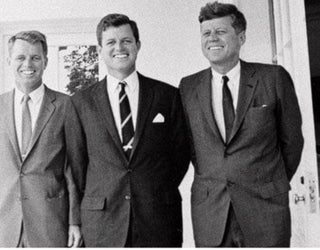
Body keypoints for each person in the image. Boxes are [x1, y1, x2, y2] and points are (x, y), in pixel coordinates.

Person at [179, 2, 303, 247]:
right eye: (206, 33)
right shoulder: (188, 87)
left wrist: (265, 181)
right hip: (211, 214)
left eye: (221, 31)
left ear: (241, 36)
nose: (212, 38)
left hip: (265, 211)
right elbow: (191, 147)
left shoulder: (273, 78)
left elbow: (292, 143)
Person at [69, 14, 190, 247]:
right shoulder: (80, 103)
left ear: (138, 45)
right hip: (102, 221)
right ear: (100, 50)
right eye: (111, 42)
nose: (119, 48)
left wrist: (152, 187)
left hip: (158, 217)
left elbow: (180, 155)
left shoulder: (167, 96)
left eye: (126, 40)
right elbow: (77, 165)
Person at [0, 30, 82, 247]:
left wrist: (74, 222)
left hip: (50, 222)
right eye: (21, 57)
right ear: (9, 61)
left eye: (35, 57)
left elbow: (73, 169)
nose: (28, 64)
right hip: (1, 224)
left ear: (46, 61)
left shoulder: (66, 105)